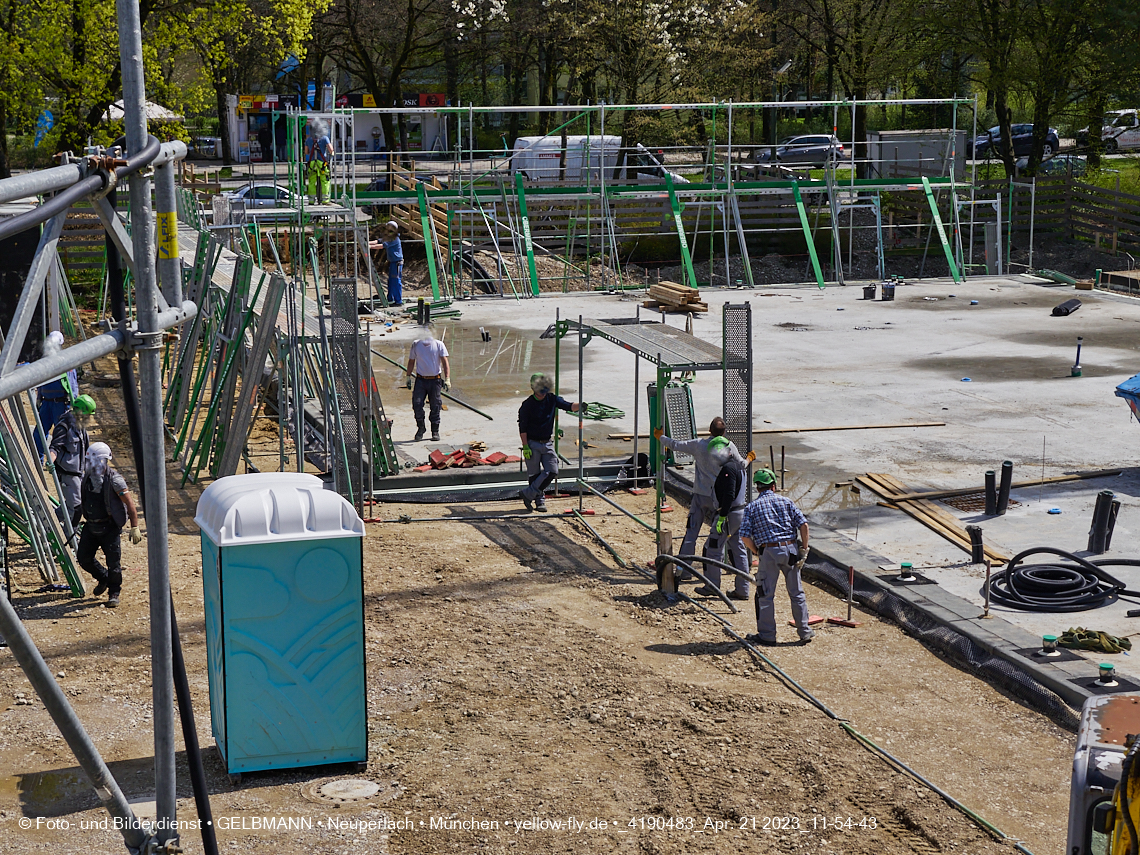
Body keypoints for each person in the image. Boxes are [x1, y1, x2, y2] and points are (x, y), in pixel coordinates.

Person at [653, 418, 753, 588]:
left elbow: (676, 444)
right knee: (723, 538)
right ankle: (730, 579)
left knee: (691, 533)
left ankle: (685, 570)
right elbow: (741, 464)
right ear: (724, 432)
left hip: (700, 495)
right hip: (719, 499)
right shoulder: (729, 446)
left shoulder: (699, 445)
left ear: (709, 430)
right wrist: (750, 458)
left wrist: (660, 437)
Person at [741, 468, 813, 645]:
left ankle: (767, 635)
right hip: (790, 550)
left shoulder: (751, 507)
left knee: (765, 595)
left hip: (769, 551)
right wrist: (804, 548)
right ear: (773, 486)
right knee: (796, 593)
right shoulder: (786, 501)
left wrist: (757, 552)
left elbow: (744, 536)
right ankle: (804, 631)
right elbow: (803, 525)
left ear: (758, 488)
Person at [77, 442, 141, 608]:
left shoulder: (115, 479)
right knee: (83, 558)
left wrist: (134, 526)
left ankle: (114, 592)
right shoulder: (87, 477)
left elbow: (130, 504)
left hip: (109, 528)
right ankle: (103, 578)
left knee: (114, 564)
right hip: (91, 526)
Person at [517, 373, 580, 512]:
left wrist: (581, 406)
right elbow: (522, 427)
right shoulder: (527, 405)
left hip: (547, 442)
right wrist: (525, 445)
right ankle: (539, 501)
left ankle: (528, 494)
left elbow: (568, 406)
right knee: (534, 474)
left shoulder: (552, 399)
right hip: (532, 443)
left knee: (552, 470)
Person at [704, 454, 751, 600]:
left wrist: (722, 516)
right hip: (739, 513)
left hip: (729, 514)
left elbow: (729, 493)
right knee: (738, 549)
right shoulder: (739, 467)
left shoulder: (728, 469)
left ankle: (712, 586)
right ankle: (743, 589)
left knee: (713, 548)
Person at [46, 394, 96, 533]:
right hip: (67, 474)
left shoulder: (80, 426)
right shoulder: (64, 426)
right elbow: (55, 447)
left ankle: (48, 524)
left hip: (78, 473)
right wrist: (50, 461)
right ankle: (69, 537)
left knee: (69, 506)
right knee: (76, 508)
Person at [34, 331, 78, 457]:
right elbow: (41, 381)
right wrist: (39, 397)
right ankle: (38, 459)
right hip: (46, 403)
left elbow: (72, 383)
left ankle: (61, 462)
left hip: (60, 403)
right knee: (40, 433)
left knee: (62, 434)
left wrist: (72, 402)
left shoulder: (65, 362)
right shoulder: (45, 361)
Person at [404, 324, 450, 442]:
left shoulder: (439, 345)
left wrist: (447, 378)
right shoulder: (416, 345)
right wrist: (408, 376)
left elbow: (445, 363)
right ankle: (421, 428)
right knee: (417, 404)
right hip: (421, 380)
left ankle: (435, 430)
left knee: (435, 405)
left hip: (435, 380)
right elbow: (411, 361)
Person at [369, 221, 404, 306]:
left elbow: (382, 246)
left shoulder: (394, 238)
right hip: (392, 262)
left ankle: (398, 301)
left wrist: (370, 247)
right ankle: (390, 298)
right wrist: (368, 242)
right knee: (391, 281)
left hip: (397, 263)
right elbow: (378, 241)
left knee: (396, 281)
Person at [305, 119, 334, 204]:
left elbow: (306, 152)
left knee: (311, 182)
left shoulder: (308, 140)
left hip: (312, 163)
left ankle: (311, 200)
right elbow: (331, 150)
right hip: (322, 163)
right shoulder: (325, 138)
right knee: (325, 180)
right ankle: (325, 200)